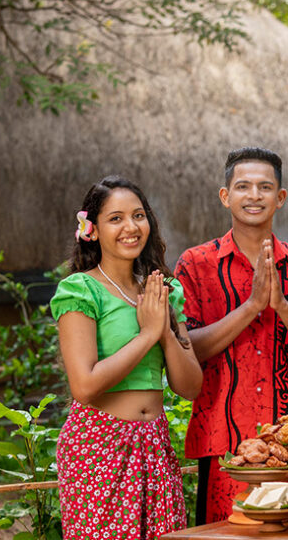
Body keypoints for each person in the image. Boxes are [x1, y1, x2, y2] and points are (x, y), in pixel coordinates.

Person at [174, 147, 288, 524]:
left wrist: (282, 306)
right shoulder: (195, 265)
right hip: (224, 445)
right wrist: (250, 306)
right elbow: (189, 351)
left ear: (280, 198)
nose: (254, 196)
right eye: (243, 186)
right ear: (225, 196)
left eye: (265, 187)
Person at [50, 175, 202, 539]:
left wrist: (163, 330)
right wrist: (147, 333)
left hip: (155, 443)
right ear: (93, 230)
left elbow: (190, 386)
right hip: (99, 445)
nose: (130, 227)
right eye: (115, 218)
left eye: (138, 215)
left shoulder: (162, 290)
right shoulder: (81, 289)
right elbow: (84, 386)